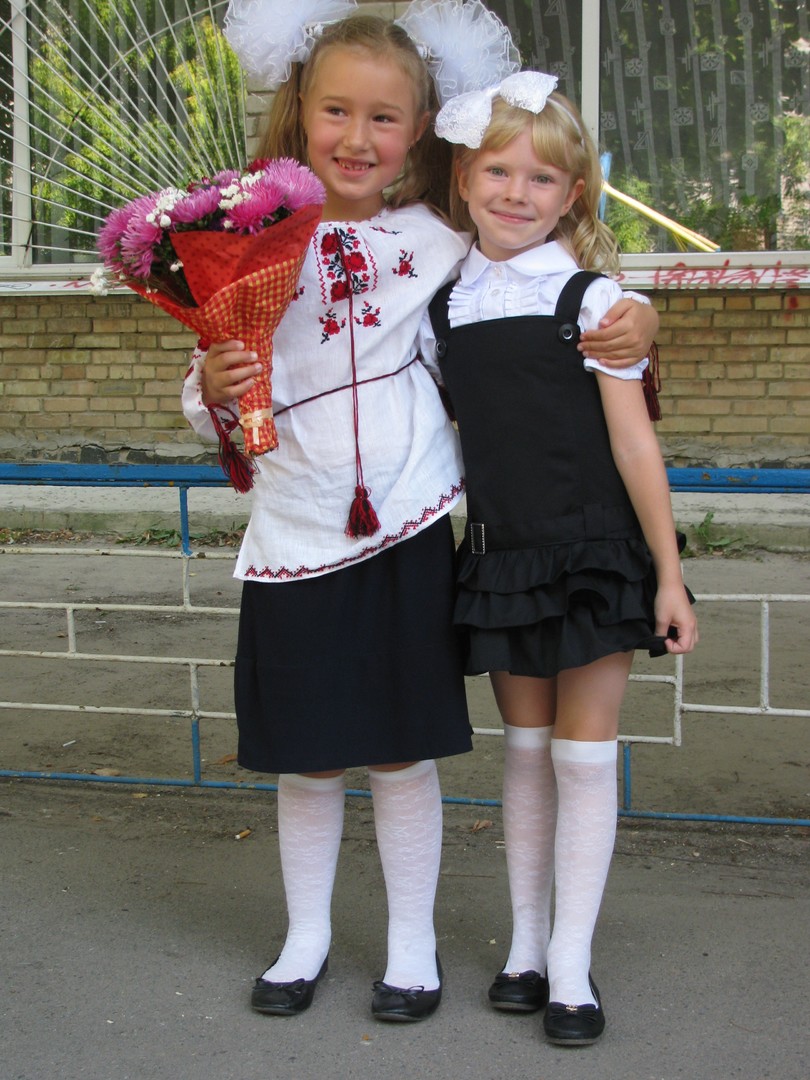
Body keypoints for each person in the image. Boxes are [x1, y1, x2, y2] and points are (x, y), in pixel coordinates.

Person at [182, 1, 659, 1023]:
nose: (358, 137)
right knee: (307, 752)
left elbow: (537, 273)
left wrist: (641, 313)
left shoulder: (437, 238)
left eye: (385, 118)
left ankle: (412, 946)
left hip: (406, 527)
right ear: (299, 111)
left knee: (400, 745)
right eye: (337, 111)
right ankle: (305, 937)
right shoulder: (245, 243)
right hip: (295, 528)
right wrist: (214, 384)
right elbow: (207, 377)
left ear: (420, 130)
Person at [425, 72, 698, 1045]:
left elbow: (633, 444)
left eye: (542, 178)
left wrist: (668, 574)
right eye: (497, 171)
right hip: (501, 557)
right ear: (464, 180)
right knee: (526, 753)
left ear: (573, 194)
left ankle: (573, 967)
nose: (517, 192)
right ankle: (526, 947)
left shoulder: (594, 299)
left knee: (584, 759)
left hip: (594, 557)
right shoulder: (444, 306)